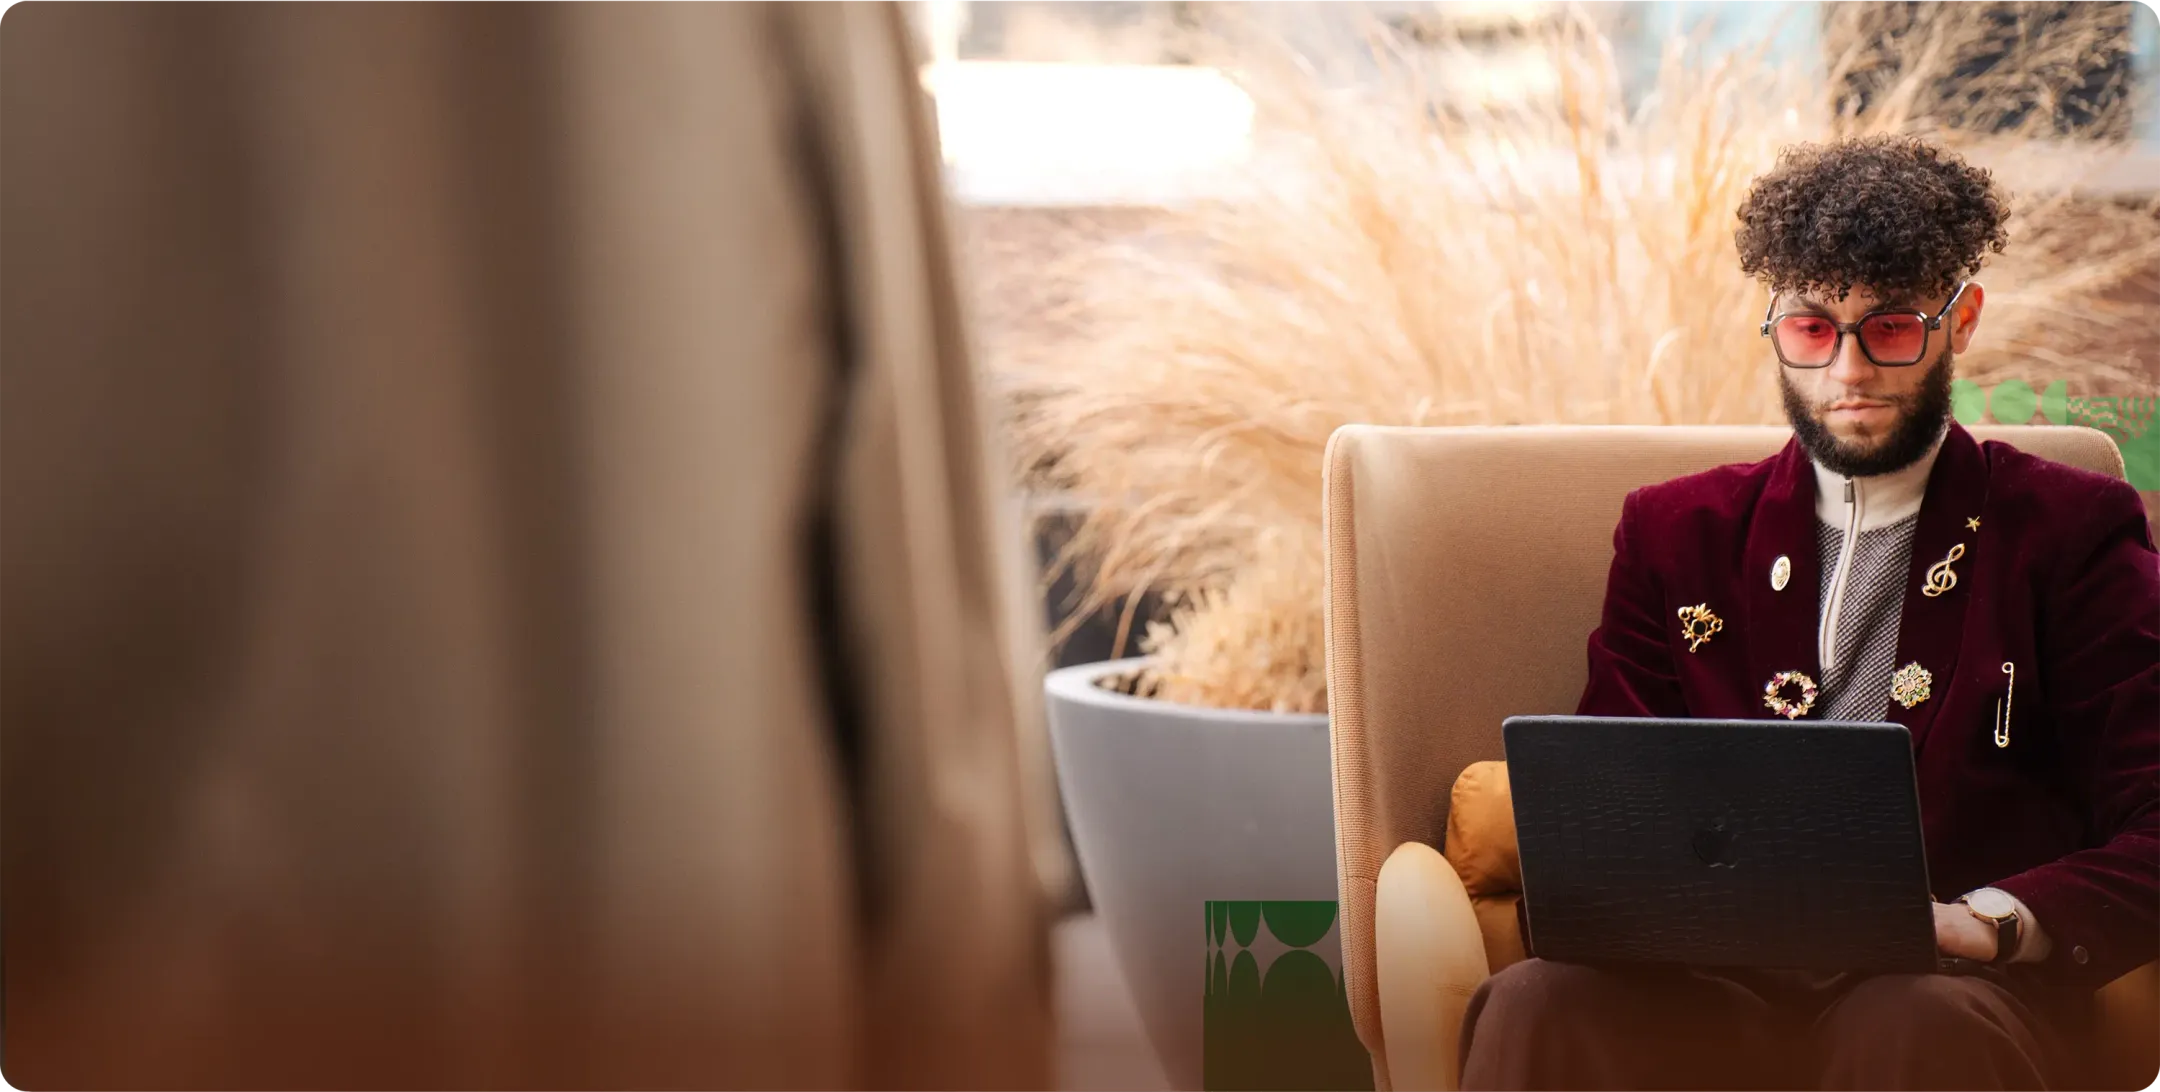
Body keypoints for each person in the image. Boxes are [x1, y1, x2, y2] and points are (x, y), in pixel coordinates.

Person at [1458, 136, 2160, 1090]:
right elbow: (1606, 812)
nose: (1850, 371)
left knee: (1907, 1021)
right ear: (1775, 326)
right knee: (1537, 999)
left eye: (1893, 327)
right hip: (1711, 988)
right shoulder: (1676, 533)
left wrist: (1987, 923)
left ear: (1962, 322)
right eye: (1813, 330)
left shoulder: (2069, 531)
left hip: (1950, 991)